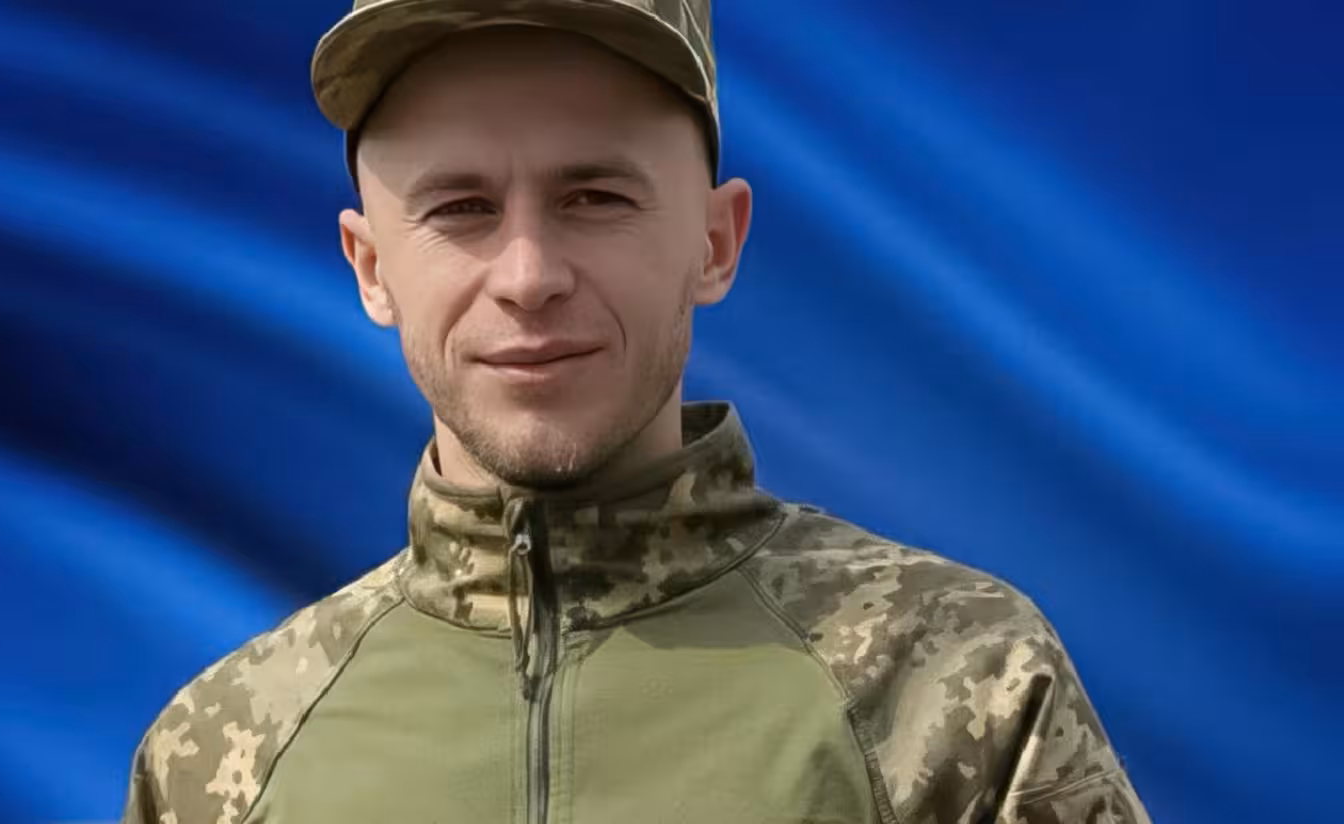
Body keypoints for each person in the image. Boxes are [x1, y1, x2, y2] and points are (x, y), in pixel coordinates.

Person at [120, 1, 1153, 822]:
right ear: (370, 265)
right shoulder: (219, 756)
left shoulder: (956, 681)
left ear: (716, 241)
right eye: (461, 208)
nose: (528, 275)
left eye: (595, 197)